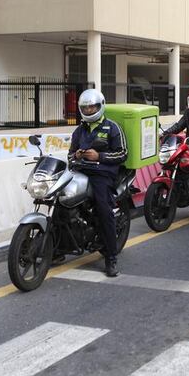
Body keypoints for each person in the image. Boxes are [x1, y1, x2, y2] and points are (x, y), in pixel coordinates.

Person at [68, 89, 127, 277]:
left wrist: (99, 156)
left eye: (92, 106)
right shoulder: (79, 130)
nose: (88, 110)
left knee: (104, 209)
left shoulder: (112, 127)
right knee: (61, 200)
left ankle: (111, 258)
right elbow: (70, 155)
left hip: (102, 174)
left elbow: (123, 154)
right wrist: (76, 155)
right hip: (81, 172)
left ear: (100, 106)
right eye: (85, 107)